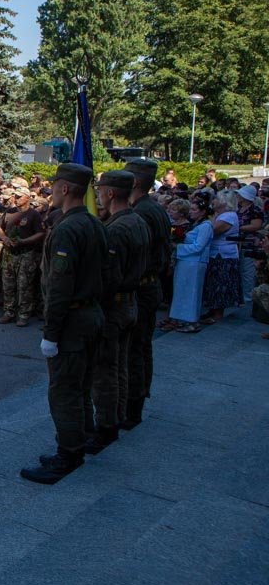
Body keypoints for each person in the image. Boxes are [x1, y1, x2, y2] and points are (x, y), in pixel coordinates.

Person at [20, 163, 106, 485]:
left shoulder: (69, 229)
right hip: (90, 314)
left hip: (72, 320)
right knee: (81, 386)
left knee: (65, 392)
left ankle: (67, 455)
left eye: (54, 185)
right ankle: (80, 440)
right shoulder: (93, 223)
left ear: (65, 188)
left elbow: (59, 286)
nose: (51, 191)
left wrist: (51, 333)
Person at [88, 170, 148, 455]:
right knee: (121, 364)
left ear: (110, 193)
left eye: (100, 190)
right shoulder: (136, 220)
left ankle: (106, 426)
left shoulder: (116, 228)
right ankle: (120, 415)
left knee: (105, 370)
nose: (97, 195)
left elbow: (108, 277)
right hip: (131, 302)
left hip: (114, 305)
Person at [124, 158, 171, 430]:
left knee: (134, 349)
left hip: (140, 287)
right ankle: (134, 403)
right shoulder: (150, 207)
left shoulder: (142, 211)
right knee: (140, 347)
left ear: (135, 182)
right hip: (148, 285)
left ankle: (132, 407)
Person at [0, 187, 45, 327]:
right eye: (15, 196)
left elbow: (41, 233)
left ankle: (24, 314)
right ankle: (9, 312)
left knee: (25, 285)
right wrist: (4, 237)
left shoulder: (33, 214)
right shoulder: (9, 212)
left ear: (27, 198)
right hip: (9, 253)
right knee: (8, 284)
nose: (15, 199)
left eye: (18, 196)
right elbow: (0, 227)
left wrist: (24, 241)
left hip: (26, 253)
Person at [166, 199, 213, 333]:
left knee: (192, 291)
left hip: (195, 262)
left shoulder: (206, 226)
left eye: (194, 210)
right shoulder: (195, 224)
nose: (191, 212)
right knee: (182, 290)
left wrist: (178, 246)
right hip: (185, 261)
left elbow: (198, 246)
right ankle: (181, 318)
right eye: (190, 209)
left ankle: (192, 321)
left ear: (203, 212)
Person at [201, 190, 243, 323]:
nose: (213, 202)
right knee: (214, 282)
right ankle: (212, 310)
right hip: (218, 252)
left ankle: (217, 313)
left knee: (220, 283)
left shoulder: (228, 216)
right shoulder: (222, 215)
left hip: (223, 254)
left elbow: (212, 231)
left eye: (216, 199)